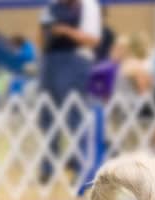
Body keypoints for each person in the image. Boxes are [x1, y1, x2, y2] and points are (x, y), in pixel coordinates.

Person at [37, 0, 101, 183]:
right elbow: (41, 34)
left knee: (75, 117)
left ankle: (81, 169)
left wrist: (65, 31)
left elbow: (92, 40)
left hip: (76, 63)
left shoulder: (88, 6)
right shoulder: (50, 6)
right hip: (50, 63)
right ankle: (47, 168)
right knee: (48, 117)